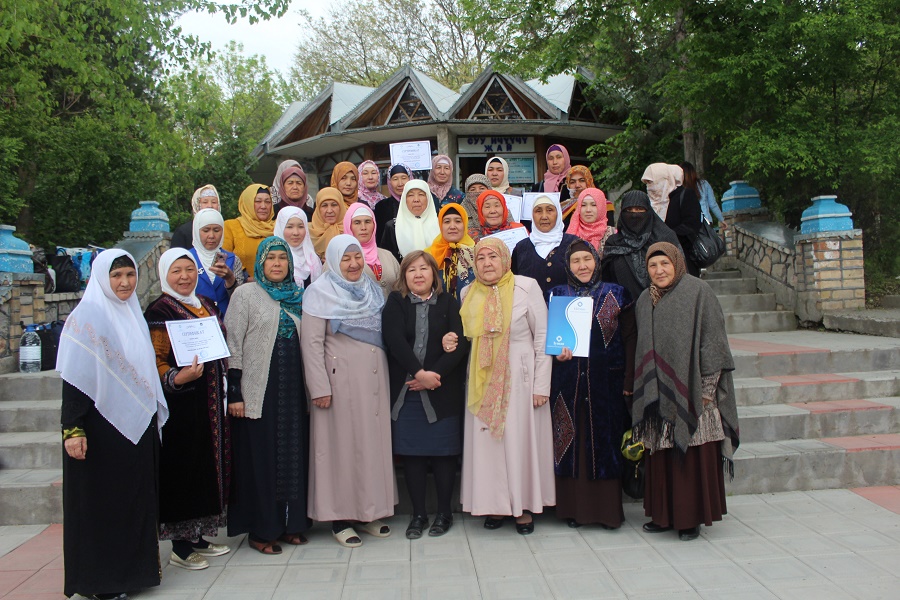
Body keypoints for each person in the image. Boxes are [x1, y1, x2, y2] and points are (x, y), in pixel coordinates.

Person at [59, 249, 168, 599]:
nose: (124, 283)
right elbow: (74, 379)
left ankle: (135, 575)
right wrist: (73, 430)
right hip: (99, 428)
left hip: (135, 427)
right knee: (101, 505)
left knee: (134, 501)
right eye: (116, 276)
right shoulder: (86, 316)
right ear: (101, 278)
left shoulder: (132, 312)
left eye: (130, 275)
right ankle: (101, 582)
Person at [630, 242, 740, 541]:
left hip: (694, 392)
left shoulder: (698, 293)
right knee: (662, 457)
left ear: (677, 263)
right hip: (658, 393)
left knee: (691, 456)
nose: (659, 270)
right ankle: (664, 515)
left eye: (664, 264)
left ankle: (690, 518)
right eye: (653, 266)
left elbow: (713, 343)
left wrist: (706, 390)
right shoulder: (644, 300)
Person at [302, 234, 397, 548]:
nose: (354, 264)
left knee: (371, 444)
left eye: (357, 257)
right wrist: (319, 387)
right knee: (340, 449)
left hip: (374, 381)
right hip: (338, 383)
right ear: (332, 260)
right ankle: (340, 518)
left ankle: (369, 511)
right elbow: (312, 345)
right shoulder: (318, 293)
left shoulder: (372, 289)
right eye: (346, 258)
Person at [459, 237, 554, 535]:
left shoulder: (527, 287)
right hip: (482, 378)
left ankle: (523, 506)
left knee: (518, 440)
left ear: (506, 260)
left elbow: (542, 338)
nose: (487, 263)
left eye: (493, 257)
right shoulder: (467, 292)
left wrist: (541, 386)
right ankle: (494, 504)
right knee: (489, 441)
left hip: (521, 378)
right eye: (481, 258)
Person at [144, 248, 231, 571]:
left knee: (207, 466)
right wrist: (177, 378)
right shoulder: (160, 309)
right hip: (181, 403)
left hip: (209, 399)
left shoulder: (204, 304)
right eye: (176, 271)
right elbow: (155, 358)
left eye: (189, 270)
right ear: (165, 274)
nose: (184, 277)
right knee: (184, 467)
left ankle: (199, 536)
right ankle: (180, 546)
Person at [224, 237, 310, 555]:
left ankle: (291, 525)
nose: (276, 263)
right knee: (261, 460)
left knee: (292, 457)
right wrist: (234, 392)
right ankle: (262, 529)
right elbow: (233, 344)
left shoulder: (299, 296)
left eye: (282, 258)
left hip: (293, 394)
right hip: (257, 393)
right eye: (270, 258)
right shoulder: (246, 294)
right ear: (260, 264)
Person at [382, 251, 470, 539]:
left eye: (424, 269)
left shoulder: (448, 302)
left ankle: (444, 513)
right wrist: (419, 374)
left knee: (444, 455)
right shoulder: (396, 302)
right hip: (407, 392)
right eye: (412, 270)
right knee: (413, 456)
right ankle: (418, 514)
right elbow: (394, 340)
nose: (418, 274)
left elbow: (460, 343)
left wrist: (435, 376)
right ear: (404, 276)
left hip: (441, 391)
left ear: (434, 273)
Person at [549, 240, 636, 529]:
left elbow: (629, 340)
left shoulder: (617, 294)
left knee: (604, 441)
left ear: (596, 261)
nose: (582, 266)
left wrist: (627, 380)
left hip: (605, 384)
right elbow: (549, 341)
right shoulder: (558, 295)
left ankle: (607, 513)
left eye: (587, 259)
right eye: (576, 261)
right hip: (568, 382)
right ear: (568, 265)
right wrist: (556, 352)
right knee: (570, 440)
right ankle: (574, 510)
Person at [601, 190, 682, 302]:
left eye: (639, 209)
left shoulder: (664, 238)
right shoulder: (614, 243)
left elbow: (680, 273)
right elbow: (606, 281)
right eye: (628, 210)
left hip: (665, 305)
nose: (634, 215)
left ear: (648, 211)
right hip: (625, 310)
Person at [511, 195, 579, 300]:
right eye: (538, 211)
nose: (544, 216)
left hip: (565, 311)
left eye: (550, 210)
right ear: (531, 216)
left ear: (558, 214)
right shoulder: (521, 248)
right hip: (530, 313)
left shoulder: (574, 244)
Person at [190, 208, 246, 315]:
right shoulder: (187, 258)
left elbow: (241, 300)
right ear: (196, 231)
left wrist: (230, 280)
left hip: (227, 322)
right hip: (197, 321)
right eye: (206, 230)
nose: (211, 236)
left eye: (216, 230)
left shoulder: (232, 259)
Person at [344, 201, 401, 298]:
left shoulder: (387, 256)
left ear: (374, 225)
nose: (363, 227)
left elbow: (401, 287)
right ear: (349, 226)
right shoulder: (339, 258)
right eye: (357, 223)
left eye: (367, 222)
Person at [379, 179, 441, 263]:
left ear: (428, 198)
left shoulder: (440, 225)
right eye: (411, 195)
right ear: (404, 199)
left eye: (421, 195)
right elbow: (386, 261)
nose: (416, 199)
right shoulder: (392, 227)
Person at [426, 202, 476, 301]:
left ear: (465, 224)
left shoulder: (476, 253)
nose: (452, 226)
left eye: (458, 221)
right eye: (447, 222)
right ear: (440, 225)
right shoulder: (428, 256)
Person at [223, 184, 275, 279]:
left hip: (274, 290)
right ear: (248, 203)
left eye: (268, 202)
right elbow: (225, 259)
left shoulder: (278, 227)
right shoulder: (231, 226)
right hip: (239, 287)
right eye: (258, 201)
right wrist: (245, 277)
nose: (263, 206)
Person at [664, 164, 703, 276]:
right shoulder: (652, 203)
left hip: (684, 257)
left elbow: (691, 225)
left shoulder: (684, 195)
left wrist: (667, 235)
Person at [274, 206, 323, 289]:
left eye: (300, 227)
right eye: (289, 227)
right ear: (280, 228)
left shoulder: (313, 259)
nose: (296, 233)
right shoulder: (274, 259)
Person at [171, 184, 220, 249]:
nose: (210, 206)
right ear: (196, 205)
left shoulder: (223, 230)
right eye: (205, 202)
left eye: (214, 202)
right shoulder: (183, 232)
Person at [374, 163, 412, 244]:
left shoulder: (418, 203)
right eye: (395, 179)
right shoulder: (381, 207)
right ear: (389, 182)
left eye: (404, 178)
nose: (400, 183)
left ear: (410, 179)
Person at [566, 188, 613, 253]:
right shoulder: (571, 234)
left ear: (601, 207)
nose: (588, 210)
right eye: (583, 205)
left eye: (593, 205)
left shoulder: (612, 235)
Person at [309, 187, 348, 260]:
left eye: (334, 205)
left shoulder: (350, 229)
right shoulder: (308, 232)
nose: (329, 210)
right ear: (318, 209)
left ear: (341, 207)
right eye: (324, 205)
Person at [685, 162, 727, 229]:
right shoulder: (704, 184)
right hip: (706, 223)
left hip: (689, 225)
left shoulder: (680, 189)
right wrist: (721, 219)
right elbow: (713, 204)